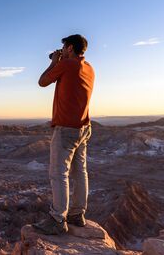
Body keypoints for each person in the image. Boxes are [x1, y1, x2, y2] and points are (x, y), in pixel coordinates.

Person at [34, 34, 95, 235]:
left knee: (58, 174)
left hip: (66, 130)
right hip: (84, 128)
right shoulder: (89, 68)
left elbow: (42, 82)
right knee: (80, 172)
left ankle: (57, 218)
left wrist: (54, 62)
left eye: (64, 48)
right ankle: (77, 214)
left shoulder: (67, 65)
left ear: (69, 48)